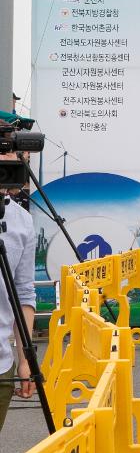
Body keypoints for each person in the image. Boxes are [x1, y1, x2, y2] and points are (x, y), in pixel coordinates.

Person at [0, 178, 36, 434]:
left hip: (1, 365)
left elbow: (23, 293)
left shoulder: (22, 221)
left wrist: (25, 360)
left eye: (10, 148)